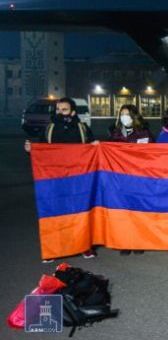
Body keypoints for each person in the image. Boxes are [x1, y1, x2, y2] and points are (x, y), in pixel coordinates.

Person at [24, 97, 99, 262]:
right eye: (58, 109)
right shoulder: (49, 128)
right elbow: (42, 150)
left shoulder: (82, 128)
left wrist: (95, 146)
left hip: (78, 178)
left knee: (81, 212)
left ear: (72, 112)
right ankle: (53, 250)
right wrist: (31, 149)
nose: (60, 112)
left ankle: (84, 246)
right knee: (54, 213)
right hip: (55, 178)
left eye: (64, 110)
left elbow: (92, 149)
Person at [108, 104, 152, 256]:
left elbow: (151, 155)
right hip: (120, 179)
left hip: (138, 179)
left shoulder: (144, 133)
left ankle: (138, 242)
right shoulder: (115, 133)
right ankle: (125, 243)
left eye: (127, 114)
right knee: (123, 212)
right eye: (122, 114)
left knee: (138, 211)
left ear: (134, 116)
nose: (123, 117)